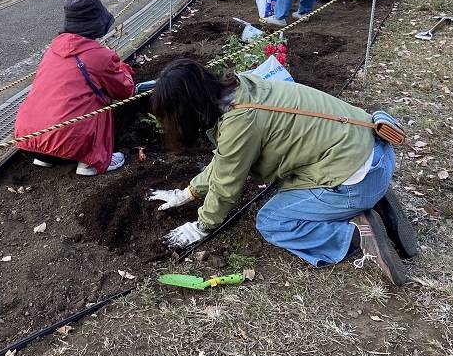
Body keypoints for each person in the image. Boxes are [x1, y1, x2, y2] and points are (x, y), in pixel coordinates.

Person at [146, 60, 416, 285]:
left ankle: (356, 236)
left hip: (356, 179)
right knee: (294, 181)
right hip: (375, 151)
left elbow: (226, 186)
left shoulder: (240, 123)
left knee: (272, 221)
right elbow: (224, 161)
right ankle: (374, 201)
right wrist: (190, 192)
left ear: (185, 110)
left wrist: (201, 226)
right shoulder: (246, 87)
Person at [14, 0, 134, 176]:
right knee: (100, 100)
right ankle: (90, 163)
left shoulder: (53, 49)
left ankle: (45, 158)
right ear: (97, 23)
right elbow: (125, 90)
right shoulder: (99, 55)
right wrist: (123, 68)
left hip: (29, 137)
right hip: (71, 140)